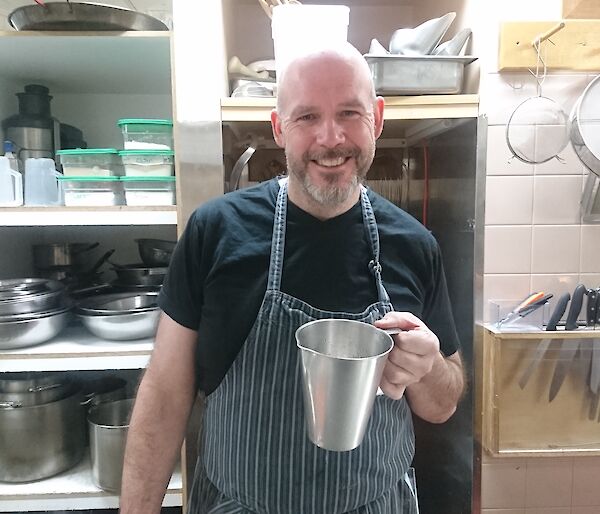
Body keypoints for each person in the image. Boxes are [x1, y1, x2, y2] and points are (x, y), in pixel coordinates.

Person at [119, 42, 465, 514]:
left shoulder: (415, 244)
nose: (330, 138)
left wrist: (427, 371)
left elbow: (443, 403)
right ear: (279, 127)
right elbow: (165, 392)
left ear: (377, 120)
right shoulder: (216, 231)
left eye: (349, 113)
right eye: (306, 117)